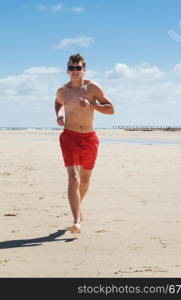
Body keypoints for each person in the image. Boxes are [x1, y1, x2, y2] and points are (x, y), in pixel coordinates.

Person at [54, 53, 115, 234]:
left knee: (85, 179)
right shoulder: (62, 91)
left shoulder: (93, 88)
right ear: (67, 70)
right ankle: (76, 221)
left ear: (84, 69)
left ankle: (78, 210)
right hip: (69, 137)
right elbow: (57, 103)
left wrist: (92, 106)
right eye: (71, 68)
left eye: (78, 68)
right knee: (73, 178)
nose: (75, 71)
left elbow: (111, 109)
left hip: (89, 138)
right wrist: (58, 115)